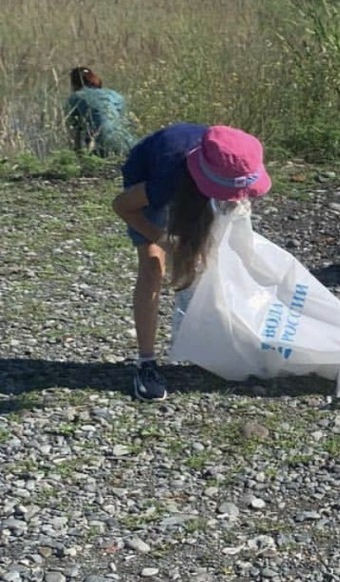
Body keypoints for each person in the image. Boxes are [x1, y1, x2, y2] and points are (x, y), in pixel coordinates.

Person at [112, 124, 272, 401]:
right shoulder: (165, 179)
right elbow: (122, 206)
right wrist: (161, 238)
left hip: (199, 179)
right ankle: (146, 364)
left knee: (215, 257)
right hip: (150, 174)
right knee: (152, 266)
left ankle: (224, 338)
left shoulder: (233, 157)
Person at [65, 67, 137, 157]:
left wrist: (79, 156)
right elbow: (124, 123)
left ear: (74, 83)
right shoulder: (115, 95)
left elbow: (75, 133)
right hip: (130, 145)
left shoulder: (76, 98)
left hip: (103, 147)